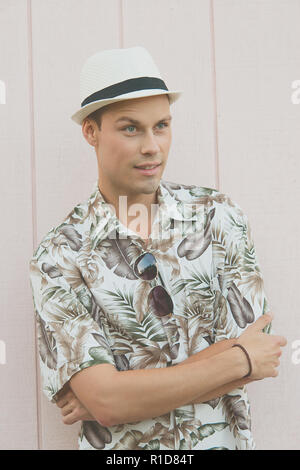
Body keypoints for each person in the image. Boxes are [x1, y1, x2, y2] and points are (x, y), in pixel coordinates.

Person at [29, 46, 287, 450]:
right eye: (130, 128)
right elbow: (108, 403)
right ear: (91, 132)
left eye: (161, 126)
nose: (152, 146)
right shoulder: (58, 255)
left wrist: (119, 392)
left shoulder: (218, 216)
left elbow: (263, 351)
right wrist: (238, 359)